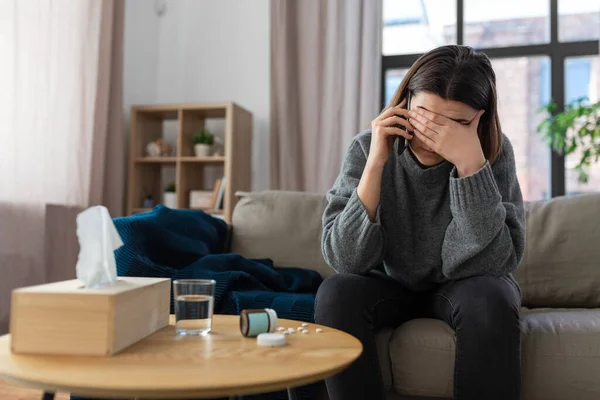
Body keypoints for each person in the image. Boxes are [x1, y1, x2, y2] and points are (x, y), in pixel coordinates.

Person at [315, 45, 525, 400]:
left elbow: (497, 263)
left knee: (491, 296)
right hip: (391, 285)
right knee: (336, 293)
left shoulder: (493, 151)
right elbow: (345, 259)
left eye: (456, 123)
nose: (433, 135)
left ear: (478, 119)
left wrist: (470, 166)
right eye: (424, 115)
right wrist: (376, 164)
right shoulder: (367, 147)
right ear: (406, 101)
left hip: (463, 287)